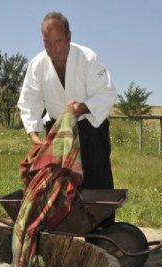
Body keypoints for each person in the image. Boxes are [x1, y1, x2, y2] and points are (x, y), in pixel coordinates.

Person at [18, 12, 118, 211]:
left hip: (90, 129)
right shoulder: (37, 64)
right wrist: (33, 133)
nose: (53, 49)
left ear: (69, 37)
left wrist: (81, 108)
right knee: (59, 185)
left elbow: (107, 93)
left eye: (58, 42)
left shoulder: (87, 58)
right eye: (47, 43)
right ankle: (63, 232)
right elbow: (29, 101)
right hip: (57, 131)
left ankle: (100, 236)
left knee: (96, 183)